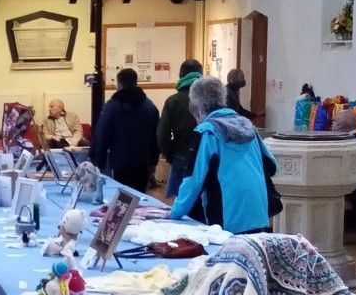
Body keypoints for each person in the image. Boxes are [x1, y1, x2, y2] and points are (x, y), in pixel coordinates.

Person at [172, 75, 276, 234]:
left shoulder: (207, 132)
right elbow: (271, 164)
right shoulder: (248, 126)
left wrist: (175, 213)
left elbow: (193, 180)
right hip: (259, 213)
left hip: (227, 219)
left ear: (199, 107)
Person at [91, 67, 160, 192]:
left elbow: (102, 133)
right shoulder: (149, 106)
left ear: (119, 84)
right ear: (136, 82)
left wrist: (98, 161)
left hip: (120, 163)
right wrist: (153, 161)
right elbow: (156, 137)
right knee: (139, 197)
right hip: (143, 163)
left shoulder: (112, 106)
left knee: (121, 198)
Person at [157, 58, 203, 202]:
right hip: (207, 157)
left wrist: (171, 155)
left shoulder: (173, 101)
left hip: (181, 157)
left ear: (180, 76)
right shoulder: (211, 99)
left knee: (181, 202)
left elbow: (162, 134)